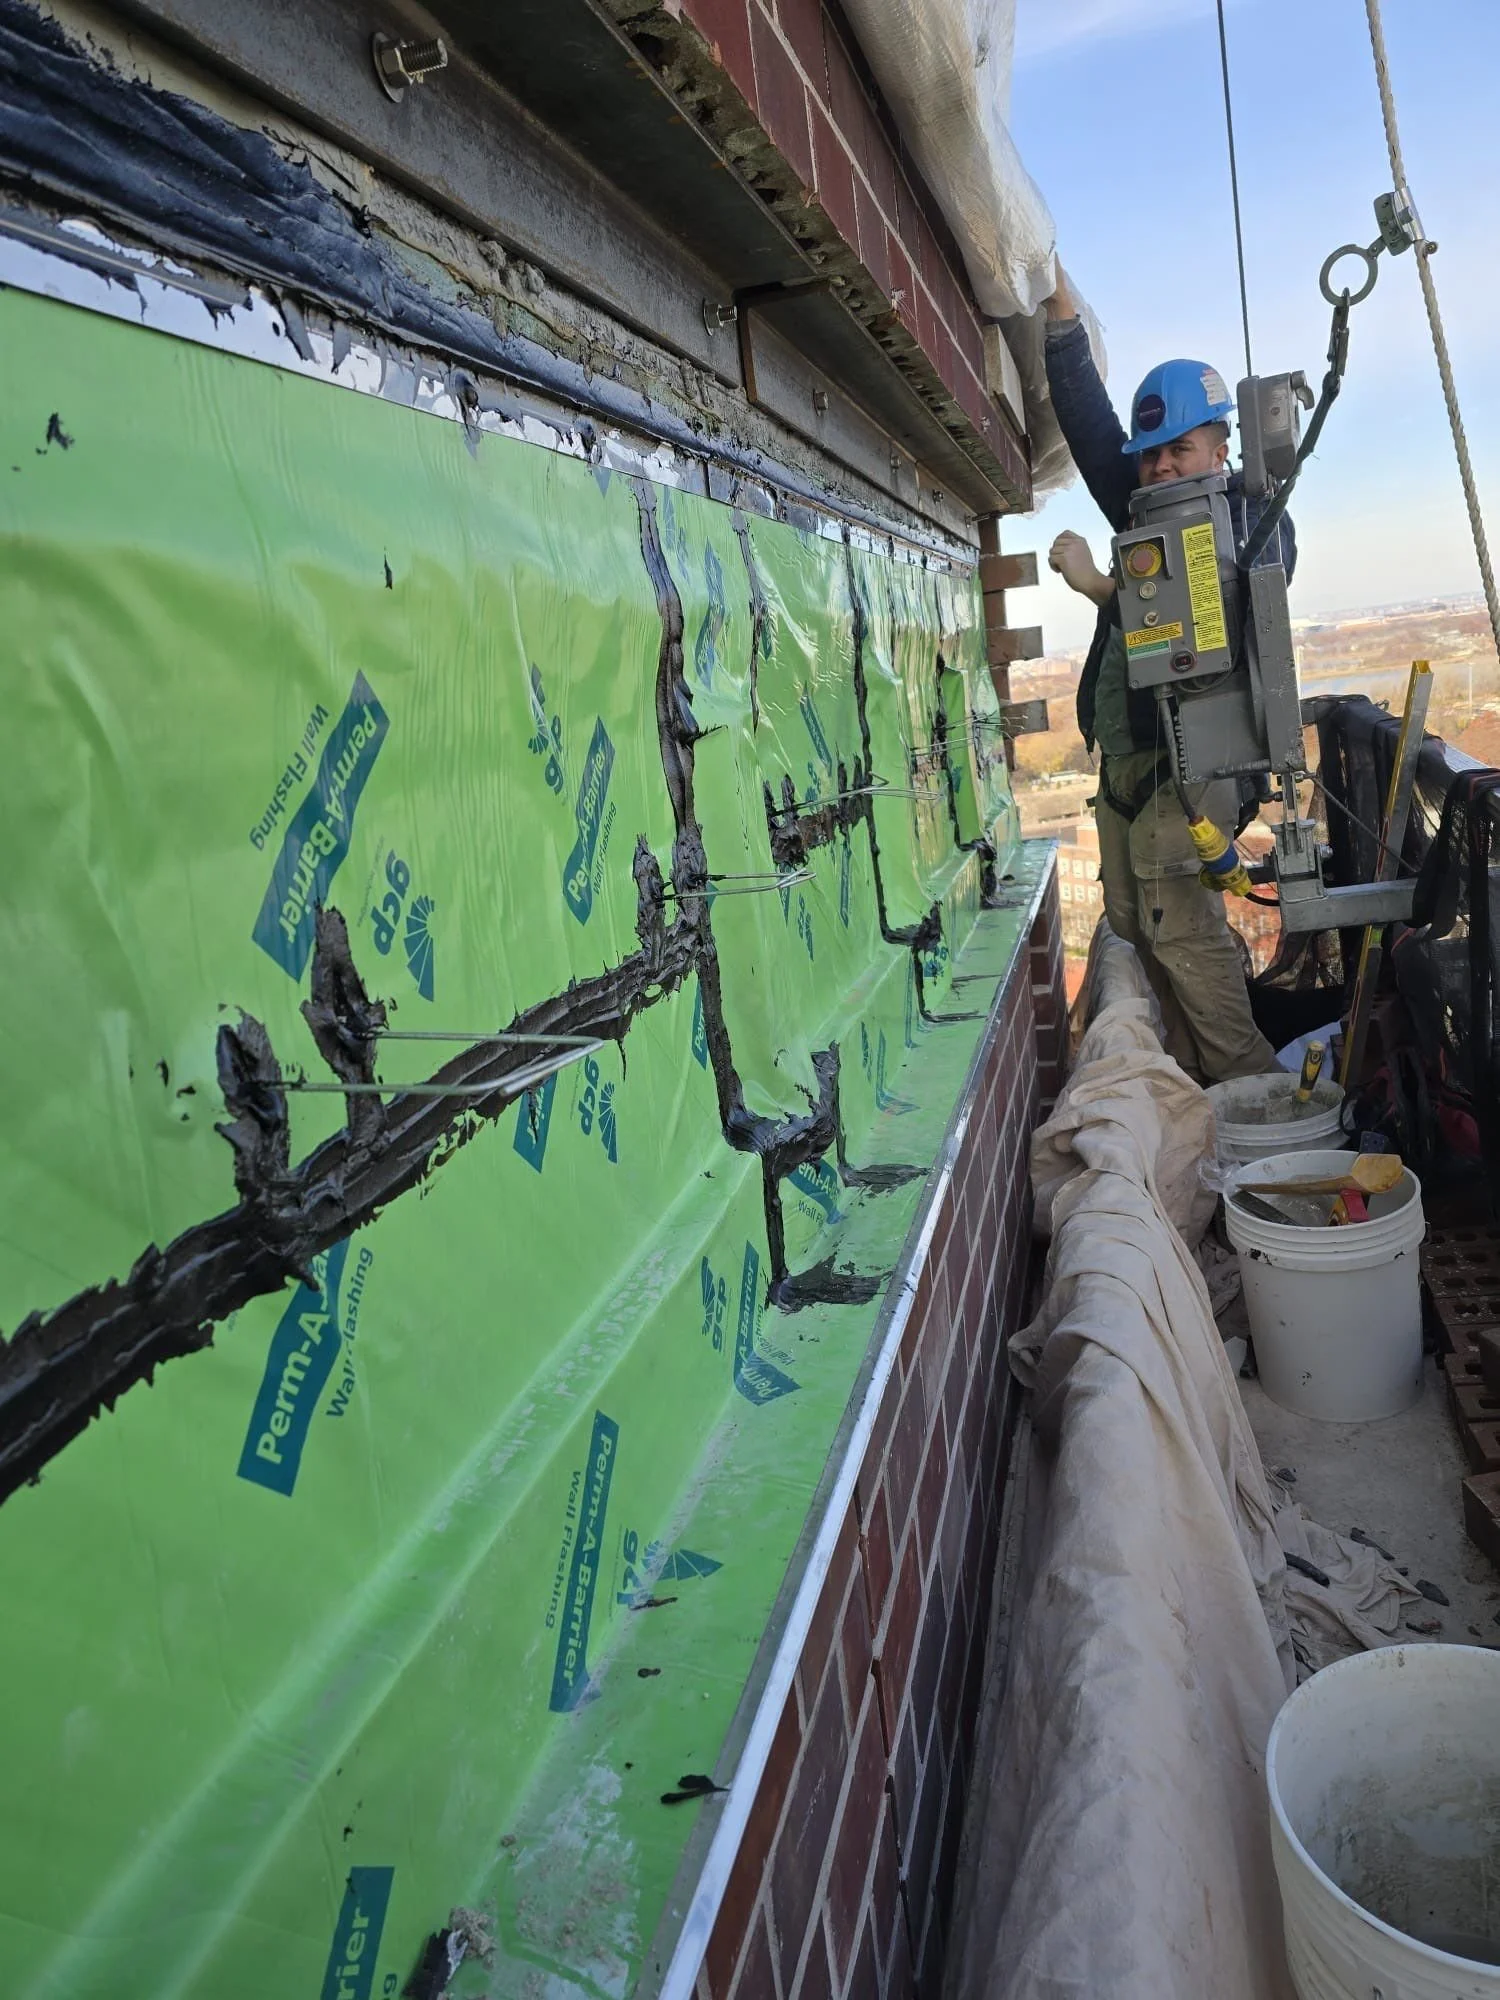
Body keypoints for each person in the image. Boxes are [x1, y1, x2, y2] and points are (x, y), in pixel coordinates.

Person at [1042, 269, 1294, 1083]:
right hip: (1130, 770)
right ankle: (1192, 1090)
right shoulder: (1146, 514)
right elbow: (1089, 428)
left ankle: (1257, 1101)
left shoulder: (1255, 526)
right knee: (1135, 925)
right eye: (1149, 457)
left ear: (1221, 447)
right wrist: (1061, 312)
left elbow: (1201, 629)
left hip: (1188, 777)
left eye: (1178, 450)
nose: (1156, 469)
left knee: (1178, 933)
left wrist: (1099, 590)